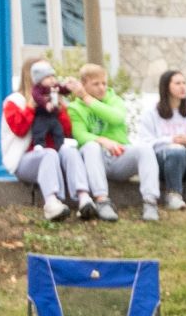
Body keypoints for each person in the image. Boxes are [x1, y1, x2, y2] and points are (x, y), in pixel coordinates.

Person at [2, 60, 104, 222]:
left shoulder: (52, 98)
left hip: (53, 155)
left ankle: (84, 198)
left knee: (69, 151)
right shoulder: (15, 101)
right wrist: (31, 106)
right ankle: (51, 203)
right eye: (47, 75)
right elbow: (19, 129)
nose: (51, 79)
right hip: (24, 160)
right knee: (48, 153)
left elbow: (66, 131)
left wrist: (59, 108)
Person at [69, 62, 161, 221]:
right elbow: (80, 136)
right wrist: (102, 140)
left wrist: (87, 98)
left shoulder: (114, 99)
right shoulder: (75, 108)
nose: (102, 88)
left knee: (145, 149)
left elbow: (116, 118)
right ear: (83, 84)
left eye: (104, 83)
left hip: (119, 157)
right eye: (96, 84)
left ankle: (150, 202)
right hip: (95, 161)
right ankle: (102, 201)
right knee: (91, 146)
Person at [141, 69, 186, 209]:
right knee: (176, 150)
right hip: (165, 165)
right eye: (177, 83)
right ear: (166, 87)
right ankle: (173, 195)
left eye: (184, 83)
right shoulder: (151, 113)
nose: (182, 87)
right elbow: (145, 144)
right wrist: (171, 140)